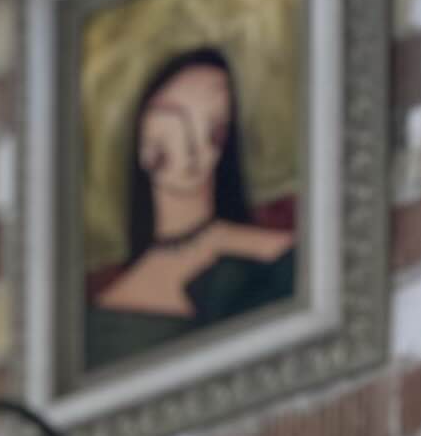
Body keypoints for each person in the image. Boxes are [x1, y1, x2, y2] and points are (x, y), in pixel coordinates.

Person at [86, 42, 298, 361]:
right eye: (172, 121)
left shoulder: (273, 255)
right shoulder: (104, 314)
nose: (191, 146)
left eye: (212, 129)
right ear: (143, 137)